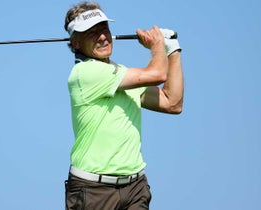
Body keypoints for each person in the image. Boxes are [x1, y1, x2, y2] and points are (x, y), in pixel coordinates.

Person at [63, 1, 184, 210]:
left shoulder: (121, 74)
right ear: (75, 43)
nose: (102, 37)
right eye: (92, 32)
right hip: (93, 191)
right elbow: (157, 75)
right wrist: (157, 45)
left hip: (135, 188)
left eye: (104, 29)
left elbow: (172, 102)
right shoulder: (84, 74)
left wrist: (172, 50)